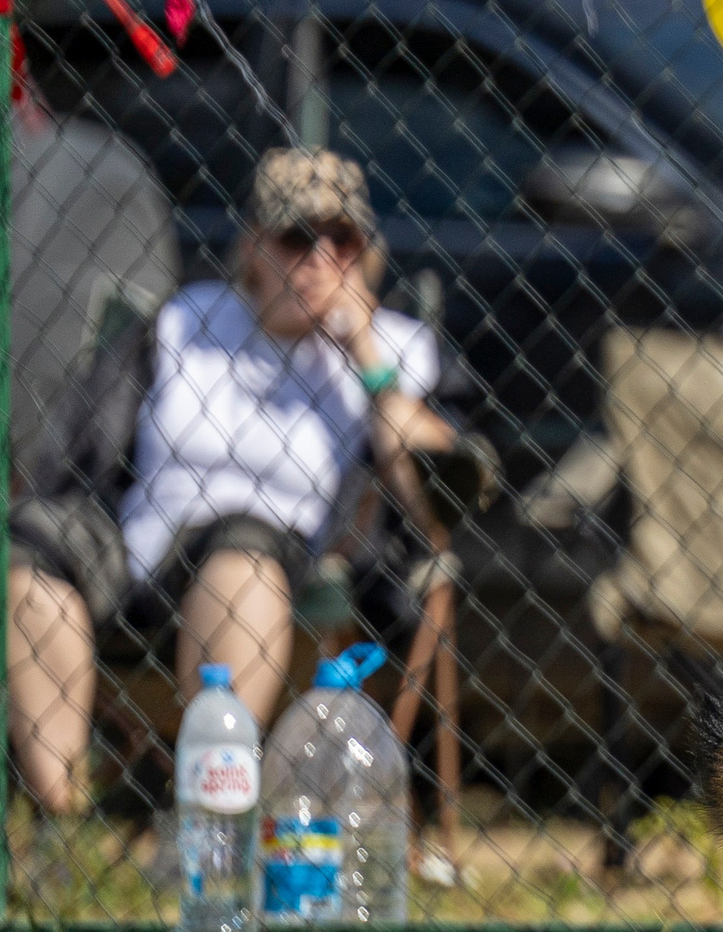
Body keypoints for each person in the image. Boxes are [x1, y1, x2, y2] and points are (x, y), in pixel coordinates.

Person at [6, 148, 454, 853]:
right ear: (252, 247)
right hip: (140, 545)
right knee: (28, 549)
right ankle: (60, 825)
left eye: (341, 241)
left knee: (239, 548)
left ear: (364, 257)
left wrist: (367, 361)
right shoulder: (188, 321)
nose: (317, 259)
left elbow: (434, 490)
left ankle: (209, 827)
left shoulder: (394, 352)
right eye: (294, 238)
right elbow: (84, 444)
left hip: (276, 562)